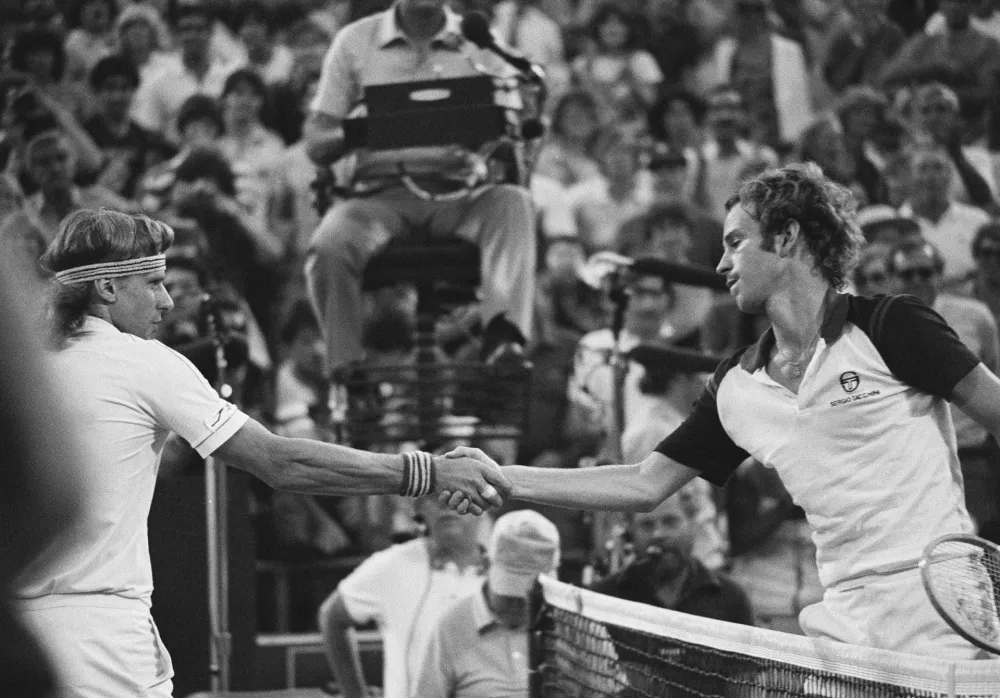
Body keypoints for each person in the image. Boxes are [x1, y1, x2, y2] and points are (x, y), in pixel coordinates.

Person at [443, 162, 1000, 659]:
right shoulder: (738, 385)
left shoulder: (891, 326)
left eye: (736, 243)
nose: (722, 263)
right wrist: (503, 478)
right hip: (847, 621)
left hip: (941, 605)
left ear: (787, 238)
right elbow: (643, 483)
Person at [12, 208, 510, 697]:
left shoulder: (19, 371)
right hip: (102, 646)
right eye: (154, 283)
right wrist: (426, 472)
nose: (166, 302)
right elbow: (280, 463)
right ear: (107, 288)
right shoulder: (143, 361)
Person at [302, 0, 537, 373]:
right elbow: (317, 142)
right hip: (378, 195)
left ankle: (503, 339)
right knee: (330, 243)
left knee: (514, 202)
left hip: (460, 192)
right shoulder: (355, 41)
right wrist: (364, 129)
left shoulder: (478, 41)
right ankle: (347, 368)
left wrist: (507, 119)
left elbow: (513, 126)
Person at [318, 495, 488, 698]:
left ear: (485, 504)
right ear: (419, 507)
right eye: (436, 496)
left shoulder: (503, 572)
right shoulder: (393, 564)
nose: (446, 504)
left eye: (460, 493)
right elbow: (332, 617)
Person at [887, 237, 1000, 530]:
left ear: (939, 274)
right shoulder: (878, 327)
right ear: (892, 279)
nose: (917, 280)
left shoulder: (975, 316)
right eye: (907, 274)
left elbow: (992, 374)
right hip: (909, 462)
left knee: (981, 541)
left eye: (925, 272)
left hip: (971, 455)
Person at [412, 509, 560, 698]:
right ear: (487, 565)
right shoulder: (451, 627)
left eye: (532, 599)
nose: (520, 606)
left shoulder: (566, 628)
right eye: (510, 595)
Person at [590, 495, 752, 624]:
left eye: (670, 522)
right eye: (647, 525)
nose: (658, 534)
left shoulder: (731, 599)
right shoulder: (602, 599)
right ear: (631, 532)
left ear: (692, 527)